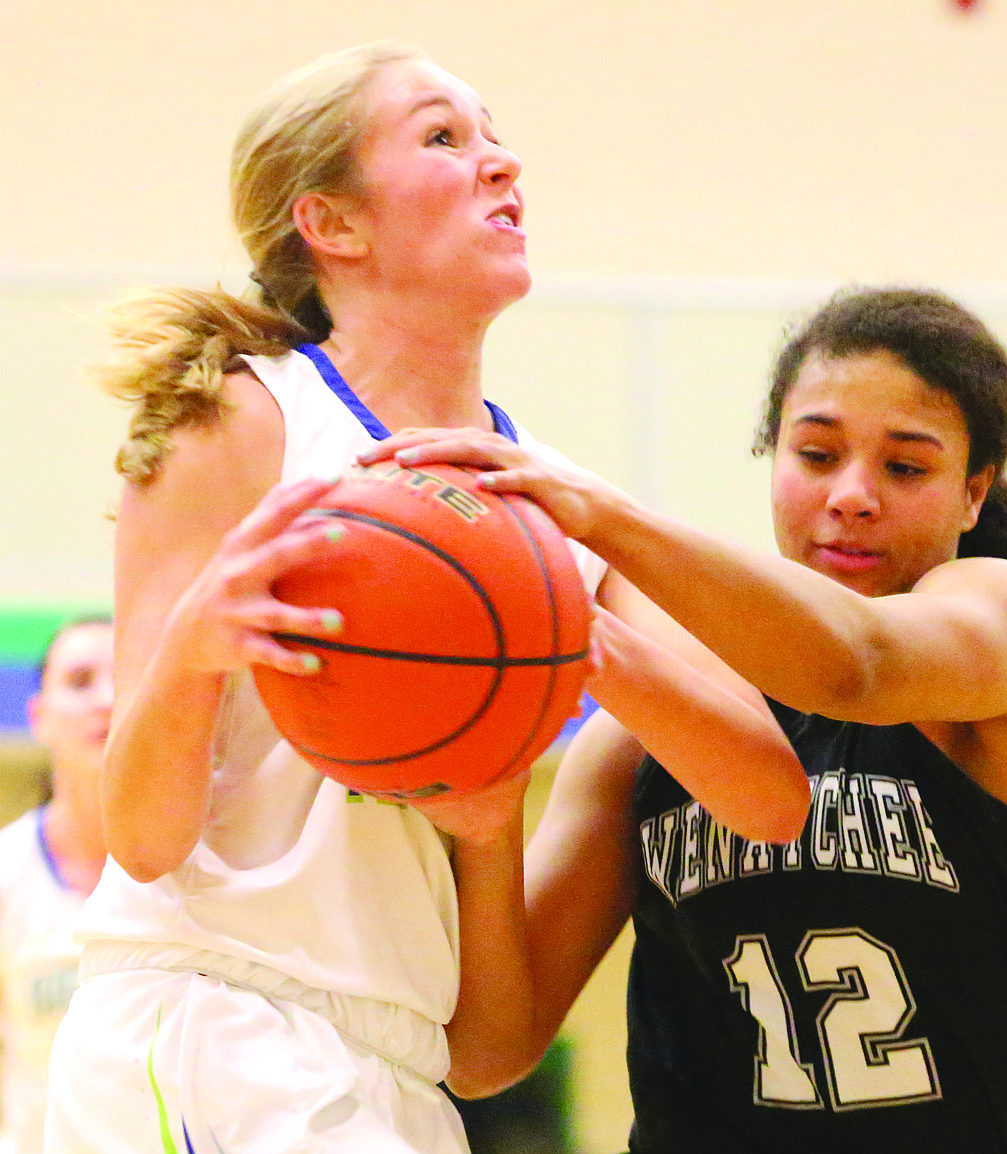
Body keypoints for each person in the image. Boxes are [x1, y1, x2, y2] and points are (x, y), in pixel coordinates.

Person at [44, 42, 803, 1154]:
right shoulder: (242, 423)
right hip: (210, 1022)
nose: (502, 162)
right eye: (446, 136)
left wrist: (573, 635)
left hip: (394, 1072)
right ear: (334, 225)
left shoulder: (542, 496)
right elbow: (147, 842)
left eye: (495, 133)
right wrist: (195, 652)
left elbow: (772, 797)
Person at [371, 286, 1007, 1152]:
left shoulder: (1003, 625)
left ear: (973, 492)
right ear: (771, 458)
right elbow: (486, 1055)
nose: (852, 495)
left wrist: (600, 528)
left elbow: (858, 665)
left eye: (905, 467)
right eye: (816, 454)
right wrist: (487, 822)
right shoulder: (644, 737)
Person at [0, 616, 112, 1154]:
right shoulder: (7, 874)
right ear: (39, 717)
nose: (107, 700)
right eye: (82, 680)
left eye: (130, 678)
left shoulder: (202, 869)